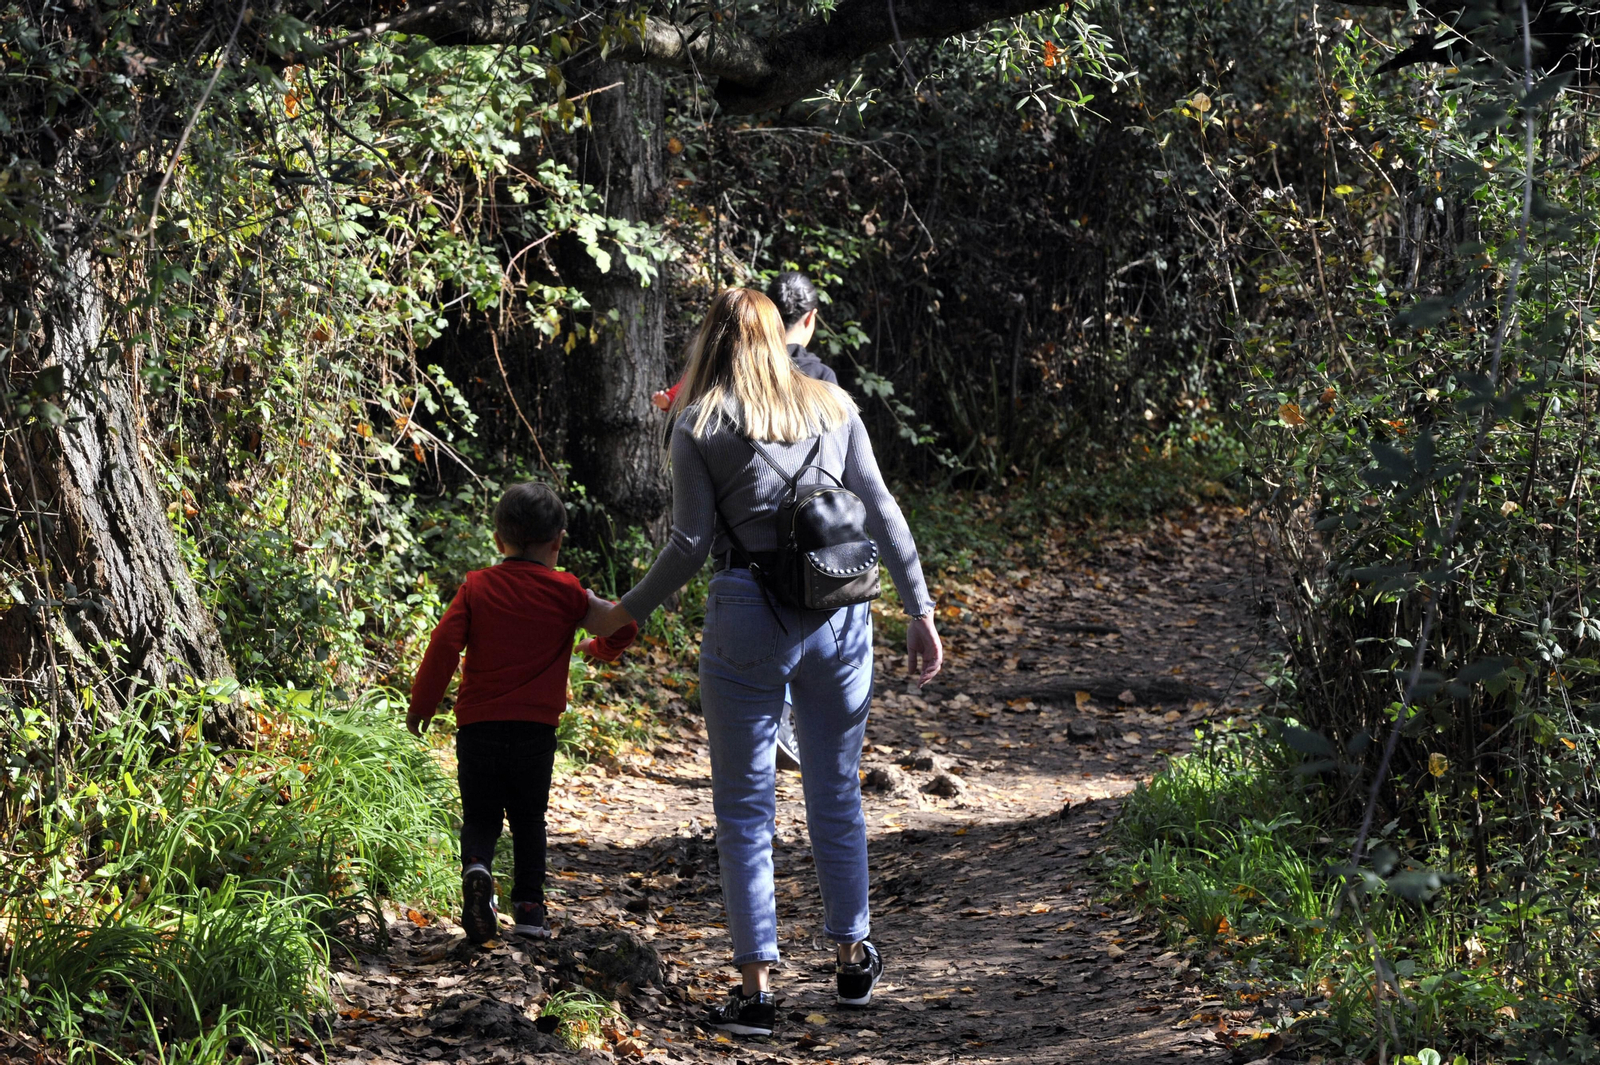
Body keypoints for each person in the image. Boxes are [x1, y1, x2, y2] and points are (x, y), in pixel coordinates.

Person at [589, 289, 944, 1038]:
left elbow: (688, 546)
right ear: (783, 338)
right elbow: (881, 506)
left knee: (746, 810)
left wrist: (624, 612)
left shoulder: (699, 423)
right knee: (835, 794)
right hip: (841, 618)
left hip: (747, 618)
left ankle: (755, 990)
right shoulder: (834, 404)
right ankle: (852, 958)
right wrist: (920, 610)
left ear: (712, 343)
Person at [408, 482, 639, 943]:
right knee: (529, 818)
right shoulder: (567, 591)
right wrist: (597, 647)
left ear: (498, 540)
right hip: (536, 730)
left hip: (478, 727)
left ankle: (477, 869)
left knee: (480, 815)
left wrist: (422, 707)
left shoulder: (477, 586)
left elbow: (443, 648)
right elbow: (624, 624)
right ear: (557, 541)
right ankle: (530, 910)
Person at [651, 271, 837, 411]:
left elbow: (695, 389)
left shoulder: (738, 360)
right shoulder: (821, 377)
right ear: (810, 317)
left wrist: (670, 399)